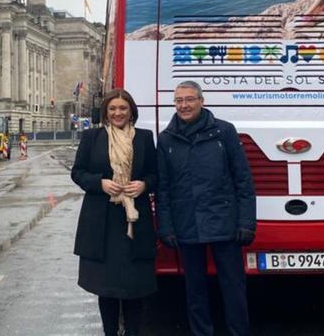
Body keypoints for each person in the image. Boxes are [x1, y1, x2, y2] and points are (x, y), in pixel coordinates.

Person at [156, 80, 255, 336]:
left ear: (201, 101)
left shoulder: (224, 132)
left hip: (225, 223)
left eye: (189, 99)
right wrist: (165, 228)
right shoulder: (166, 139)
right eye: (179, 101)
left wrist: (246, 223)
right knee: (195, 290)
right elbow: (163, 188)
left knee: (233, 288)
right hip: (186, 224)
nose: (184, 105)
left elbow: (242, 180)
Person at [72, 89, 158, 336]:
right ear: (106, 113)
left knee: (135, 286)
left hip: (134, 221)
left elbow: (155, 174)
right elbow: (78, 172)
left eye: (122, 108)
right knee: (106, 287)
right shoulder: (92, 137)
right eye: (112, 109)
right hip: (102, 221)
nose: (118, 113)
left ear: (131, 111)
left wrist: (144, 185)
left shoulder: (143, 137)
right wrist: (100, 183)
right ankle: (110, 332)